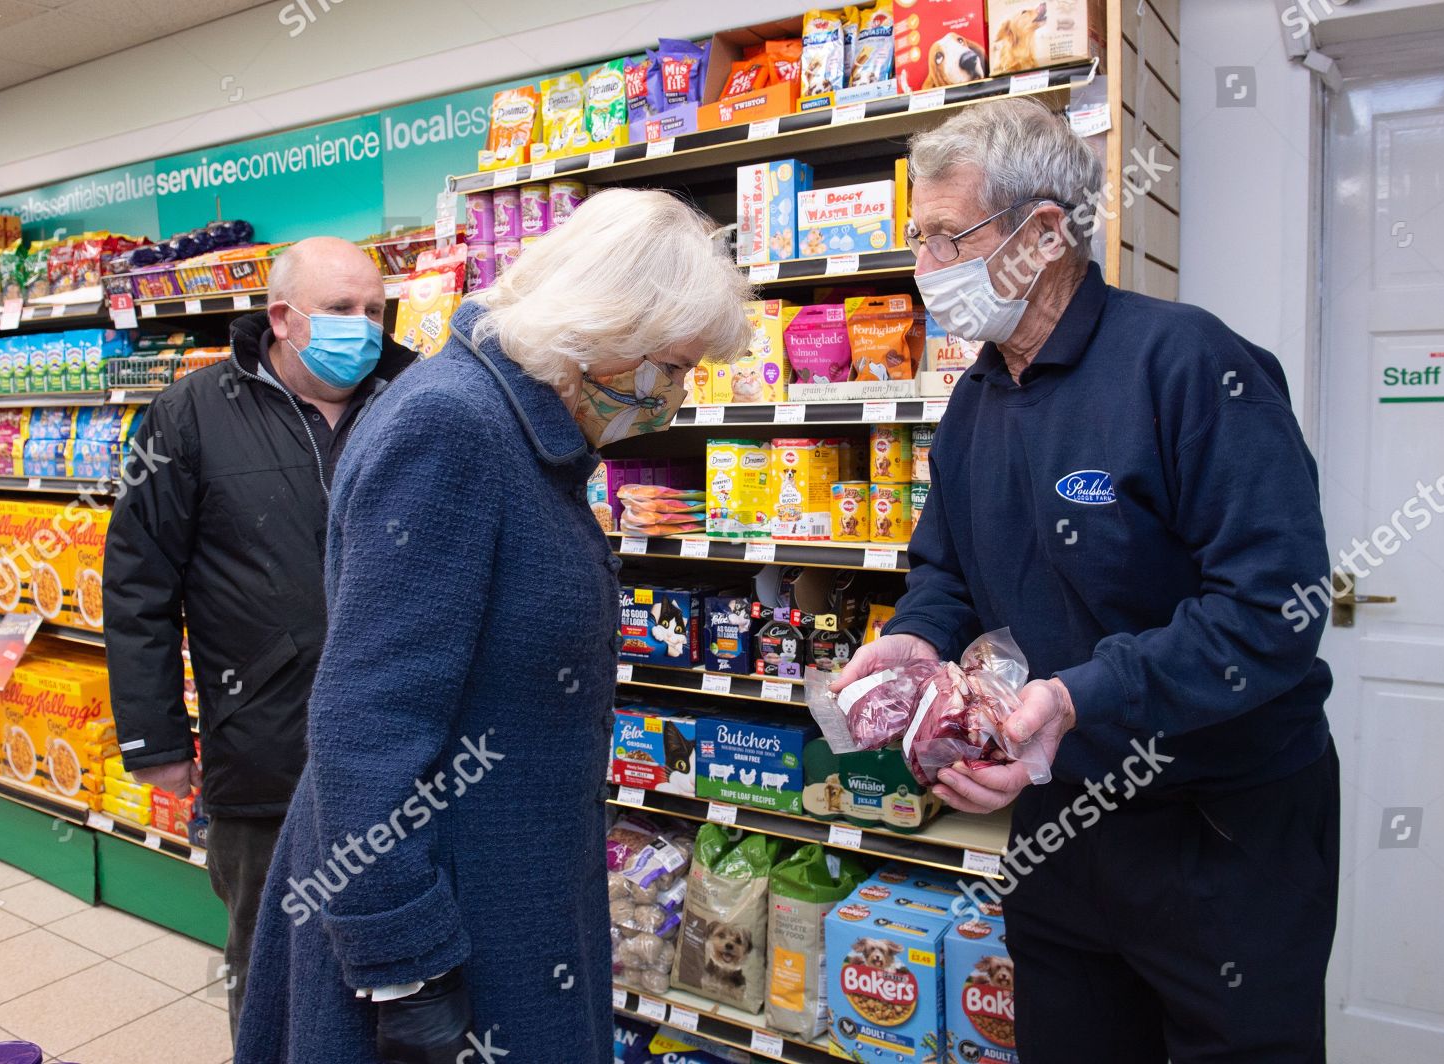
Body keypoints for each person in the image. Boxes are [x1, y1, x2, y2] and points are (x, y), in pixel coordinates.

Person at [833, 98, 1338, 1062]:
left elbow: (1273, 609)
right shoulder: (975, 401)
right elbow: (948, 575)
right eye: (917, 239)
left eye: (948, 238)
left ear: (1045, 233)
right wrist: (917, 640)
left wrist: (1078, 696)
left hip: (1220, 825)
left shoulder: (1187, 363)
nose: (924, 268)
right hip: (1061, 816)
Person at [232, 189, 751, 1064]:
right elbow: (369, 719)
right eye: (671, 365)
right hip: (452, 914)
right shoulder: (454, 427)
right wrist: (405, 966)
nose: (673, 396)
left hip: (508, 887)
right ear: (601, 330)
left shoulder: (515, 426)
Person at [103, 236, 417, 1045]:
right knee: (275, 968)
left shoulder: (419, 399)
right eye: (342, 311)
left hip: (412, 750)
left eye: (375, 310)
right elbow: (138, 585)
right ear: (283, 318)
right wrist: (153, 738)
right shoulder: (190, 413)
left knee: (410, 970)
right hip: (265, 753)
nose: (365, 327)